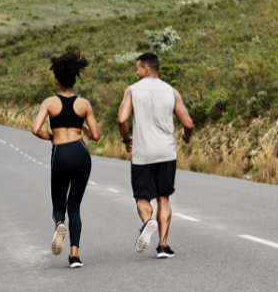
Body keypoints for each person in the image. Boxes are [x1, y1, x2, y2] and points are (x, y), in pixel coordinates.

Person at [117, 52, 193, 259]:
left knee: (142, 197)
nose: (136, 71)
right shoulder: (171, 91)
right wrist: (186, 137)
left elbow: (121, 120)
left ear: (146, 69)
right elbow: (188, 123)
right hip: (166, 151)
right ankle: (162, 245)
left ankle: (147, 222)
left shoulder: (132, 90)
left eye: (137, 68)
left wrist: (126, 140)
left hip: (143, 153)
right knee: (164, 197)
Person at [32, 50, 101, 269]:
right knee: (75, 206)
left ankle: (59, 224)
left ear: (56, 80)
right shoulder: (84, 104)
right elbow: (96, 136)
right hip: (81, 154)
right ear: (74, 79)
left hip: (60, 152)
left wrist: (51, 136)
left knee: (58, 204)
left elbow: (35, 129)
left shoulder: (50, 103)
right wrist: (81, 127)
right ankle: (75, 256)